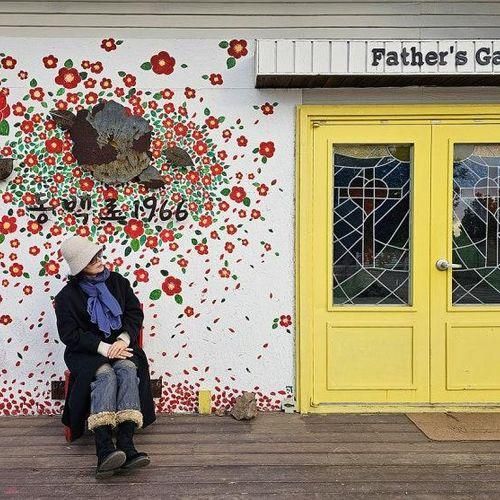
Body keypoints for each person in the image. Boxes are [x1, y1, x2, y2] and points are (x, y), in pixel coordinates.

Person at [55, 235, 156, 478]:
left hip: (121, 345)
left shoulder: (118, 282)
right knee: (105, 374)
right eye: (92, 261)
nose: (100, 261)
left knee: (128, 368)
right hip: (86, 353)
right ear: (80, 269)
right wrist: (103, 348)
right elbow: (70, 334)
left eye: (99, 256)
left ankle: (126, 444)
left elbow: (134, 315)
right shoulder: (66, 297)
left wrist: (122, 340)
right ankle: (104, 450)